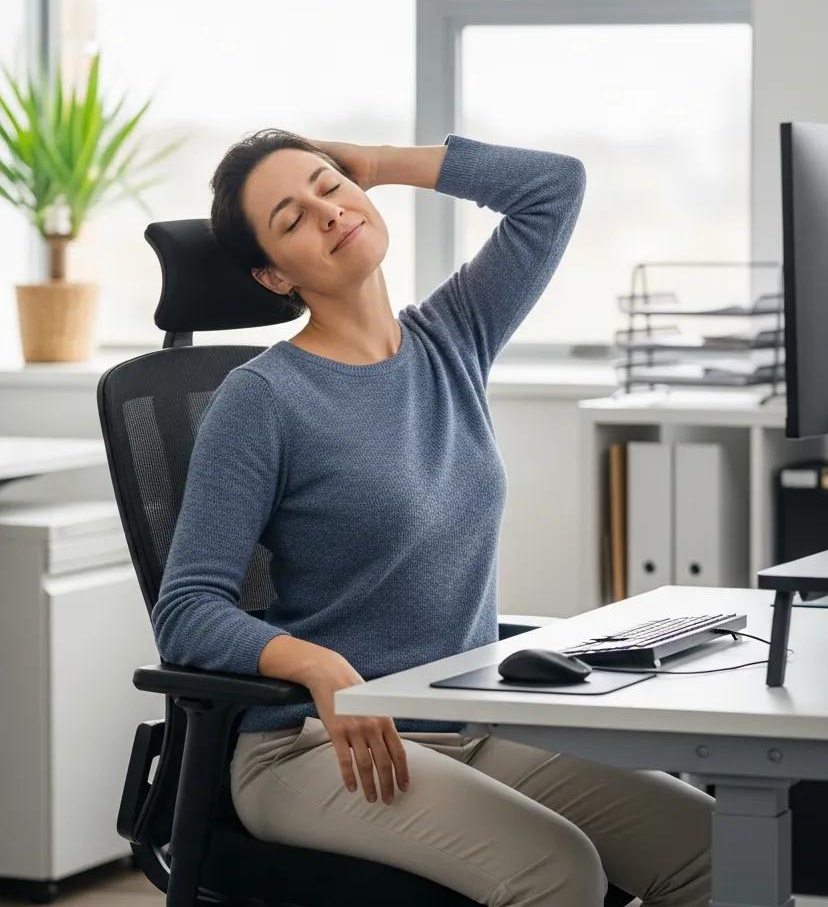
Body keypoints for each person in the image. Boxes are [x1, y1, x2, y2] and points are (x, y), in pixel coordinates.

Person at [151, 129, 712, 906]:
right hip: (311, 748)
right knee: (561, 872)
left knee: (714, 847)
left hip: (466, 720)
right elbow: (186, 611)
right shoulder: (262, 400)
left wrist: (379, 165)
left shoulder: (452, 338)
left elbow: (554, 189)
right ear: (273, 274)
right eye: (291, 218)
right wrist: (317, 664)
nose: (327, 209)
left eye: (329, 184)